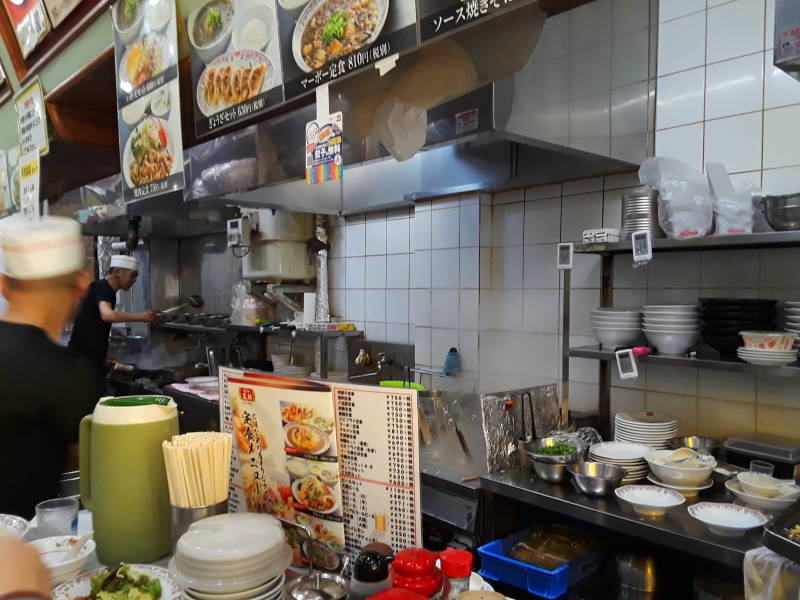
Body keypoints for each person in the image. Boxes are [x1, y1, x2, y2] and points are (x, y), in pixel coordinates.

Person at [0, 216, 105, 518]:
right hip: (24, 553)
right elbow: (89, 478)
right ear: (81, 286)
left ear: (4, 285)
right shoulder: (70, 376)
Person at [68, 254, 158, 386]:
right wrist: (143, 317)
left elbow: (95, 324)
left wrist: (102, 356)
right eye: (133, 275)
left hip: (89, 359)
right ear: (117, 272)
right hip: (84, 362)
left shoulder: (107, 291)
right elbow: (107, 315)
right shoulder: (101, 287)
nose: (135, 280)